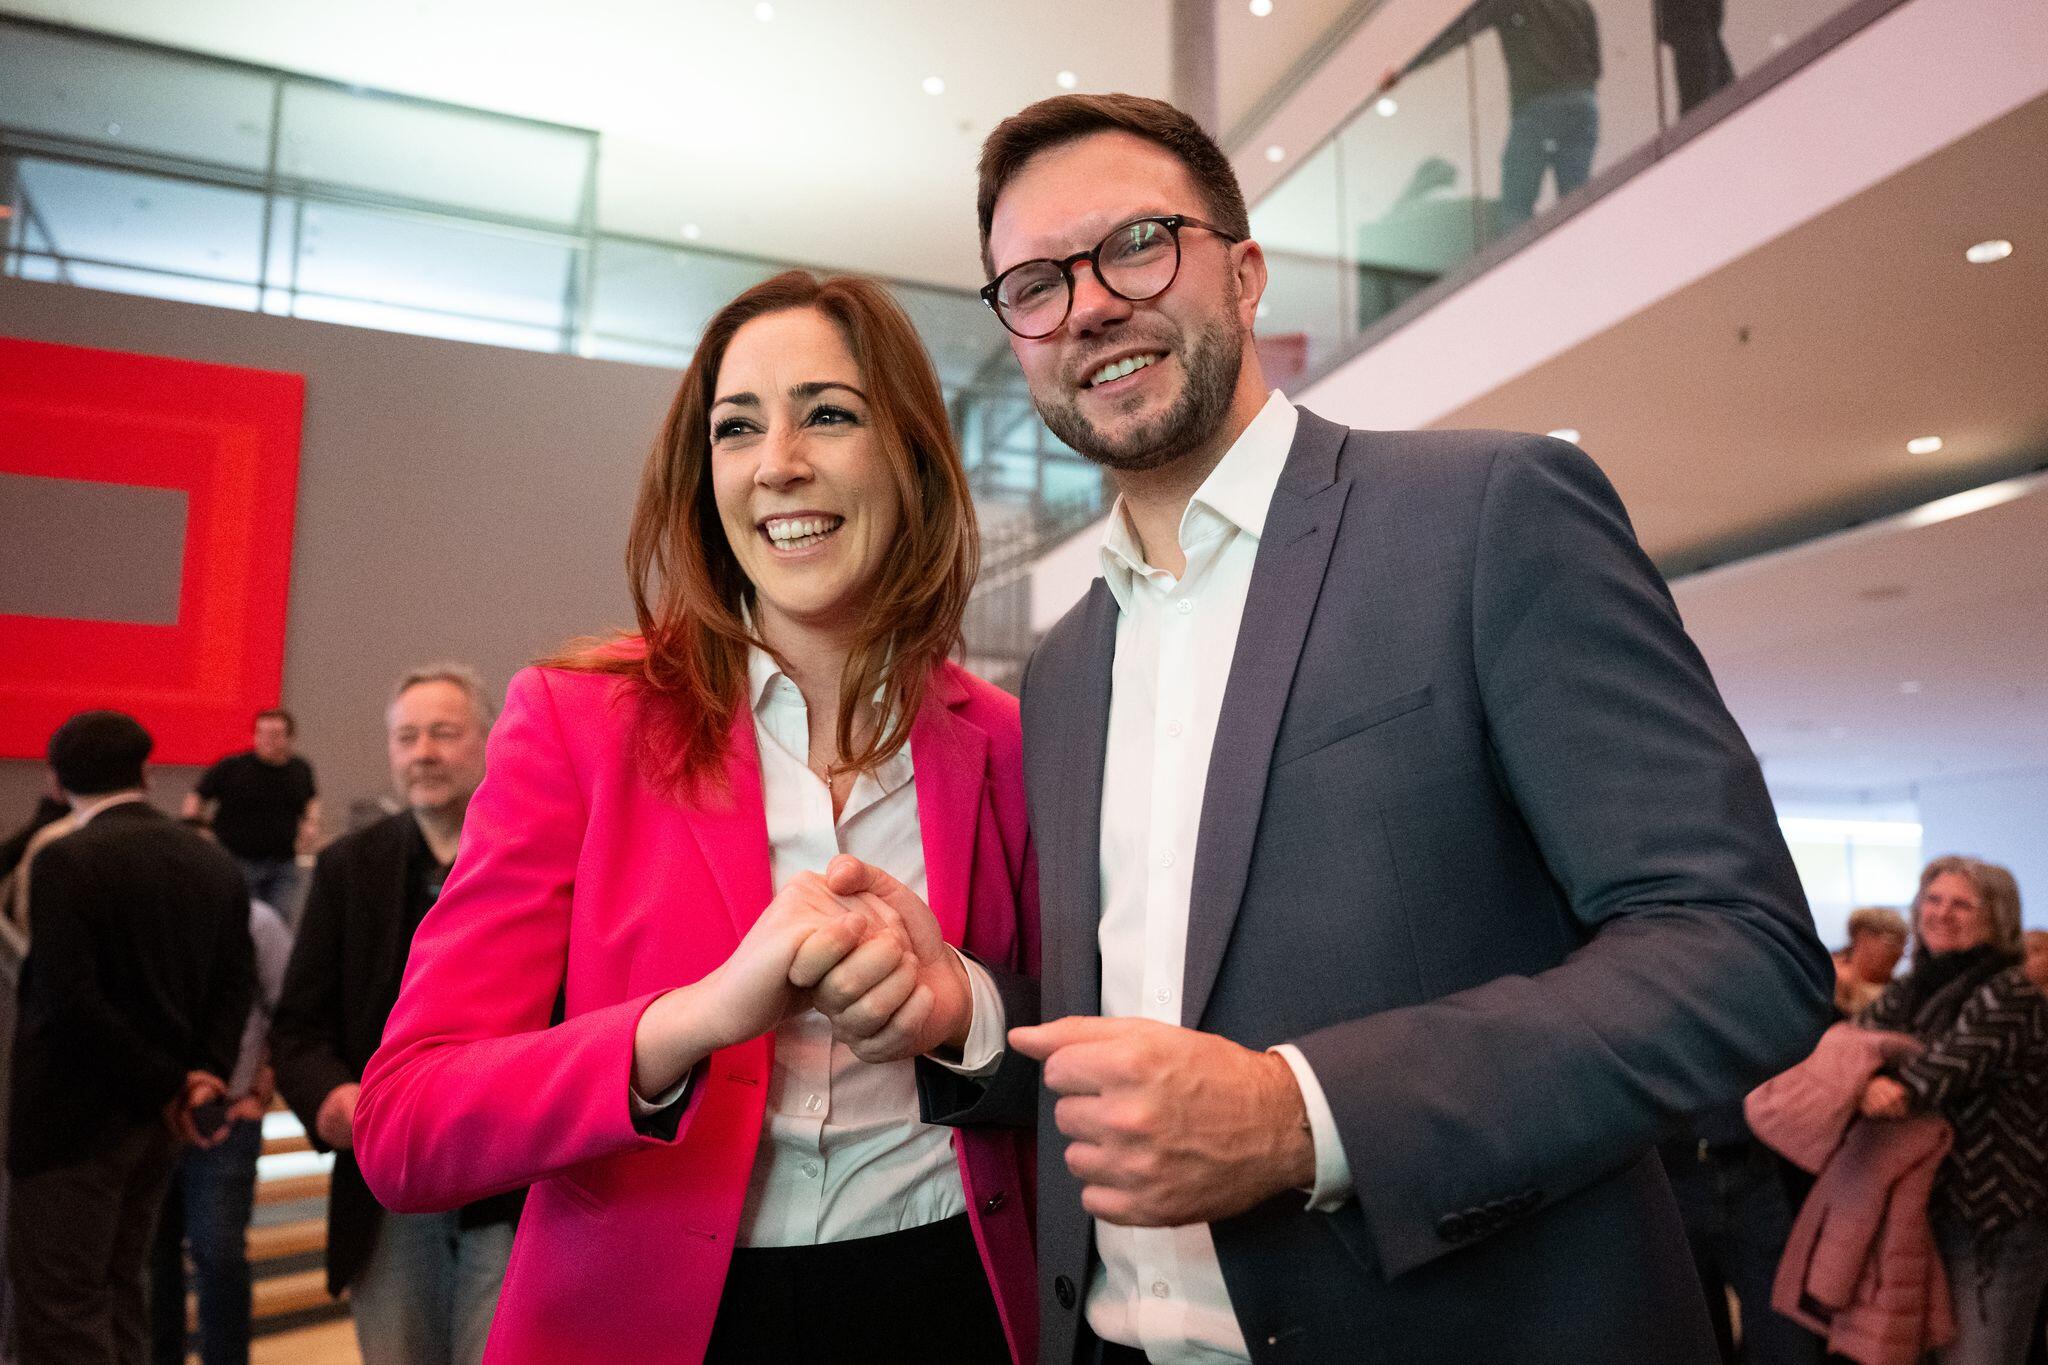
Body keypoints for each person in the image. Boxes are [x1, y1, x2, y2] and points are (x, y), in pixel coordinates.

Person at [811, 93, 1832, 1364]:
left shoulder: (1485, 516)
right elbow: (1138, 1041)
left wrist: (1302, 1116)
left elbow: (1738, 954)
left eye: (1136, 246)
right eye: (1035, 283)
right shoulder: (1066, 668)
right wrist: (962, 1011)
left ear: (1244, 275)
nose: (1088, 306)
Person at [349, 272, 1039, 1365]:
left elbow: (1081, 1044)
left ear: (910, 455)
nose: (777, 464)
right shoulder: (577, 721)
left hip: (950, 1298)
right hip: (650, 1324)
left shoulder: (1008, 742)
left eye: (828, 413)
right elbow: (405, 1126)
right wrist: (690, 1021)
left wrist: (963, 1008)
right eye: (737, 427)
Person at [269, 665, 517, 1365]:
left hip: (515, 1180)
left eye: (444, 733)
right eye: (407, 737)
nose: (423, 753)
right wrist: (330, 1097)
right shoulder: (348, 868)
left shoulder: (537, 857)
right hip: (387, 1182)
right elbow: (299, 1026)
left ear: (490, 739)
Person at [7, 711, 253, 1365]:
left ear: (56, 782)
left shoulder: (64, 859)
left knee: (59, 1307)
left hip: (71, 1122)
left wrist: (169, 1081)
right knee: (123, 1291)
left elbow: (70, 1003)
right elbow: (236, 985)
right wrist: (202, 1075)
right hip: (160, 1124)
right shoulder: (211, 861)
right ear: (145, 773)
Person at [1858, 856, 2048, 1365]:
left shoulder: (2010, 992)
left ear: (1998, 919)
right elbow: (1850, 1044)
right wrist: (1862, 1077)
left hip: (1991, 1223)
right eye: (1934, 900)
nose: (1942, 913)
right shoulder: (1913, 986)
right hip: (1920, 1213)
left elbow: (1931, 1079)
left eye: (1962, 904)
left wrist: (1875, 1082)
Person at [149, 889, 293, 1365]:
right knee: (153, 1260)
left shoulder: (256, 921)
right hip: (152, 1115)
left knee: (218, 1253)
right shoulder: (148, 911)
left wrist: (260, 1089)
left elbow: (292, 1008)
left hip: (228, 1113)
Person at [1381, 0, 1604, 231]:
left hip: (1537, 106)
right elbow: (1596, 67)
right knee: (1575, 201)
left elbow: (1459, 31)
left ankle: (1524, 251)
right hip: (1583, 106)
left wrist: (1404, 69)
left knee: (1516, 207)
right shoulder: (1579, 4)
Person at [184, 709, 318, 921]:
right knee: (240, 919)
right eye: (261, 733)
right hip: (237, 860)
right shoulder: (232, 766)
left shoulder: (299, 769)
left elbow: (311, 799)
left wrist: (310, 823)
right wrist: (195, 830)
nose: (267, 740)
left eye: (275, 735)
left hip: (283, 861)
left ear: (289, 737)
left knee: (279, 921)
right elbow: (197, 796)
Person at [1834, 904, 1908, 1017]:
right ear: (1862, 939)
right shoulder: (1831, 982)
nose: (1900, 953)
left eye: (1903, 945)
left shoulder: (1902, 990)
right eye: (1892, 943)